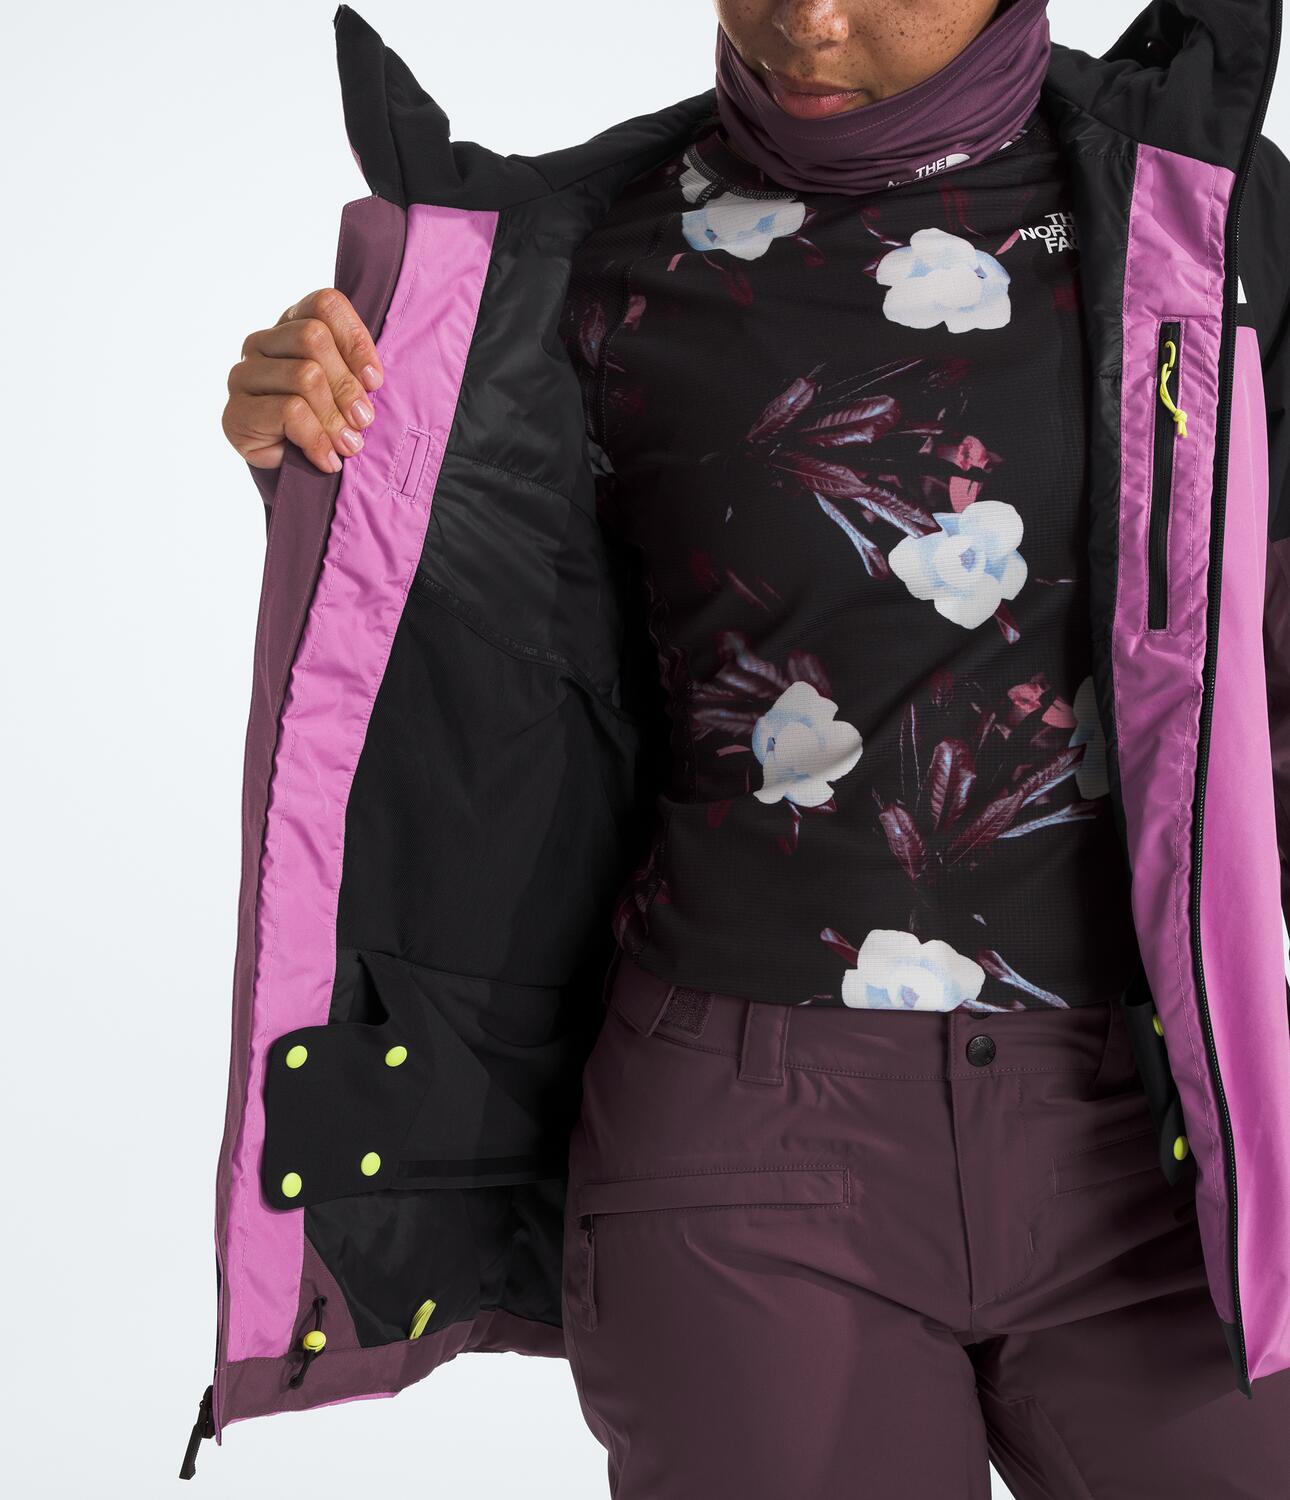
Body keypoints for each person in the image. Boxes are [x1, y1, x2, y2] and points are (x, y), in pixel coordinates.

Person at [216, 2, 1290, 1495]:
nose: (806, 21)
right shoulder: (576, 256)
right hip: (742, 1145)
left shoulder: (1205, 214)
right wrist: (331, 460)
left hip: (1165, 1132)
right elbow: (484, 675)